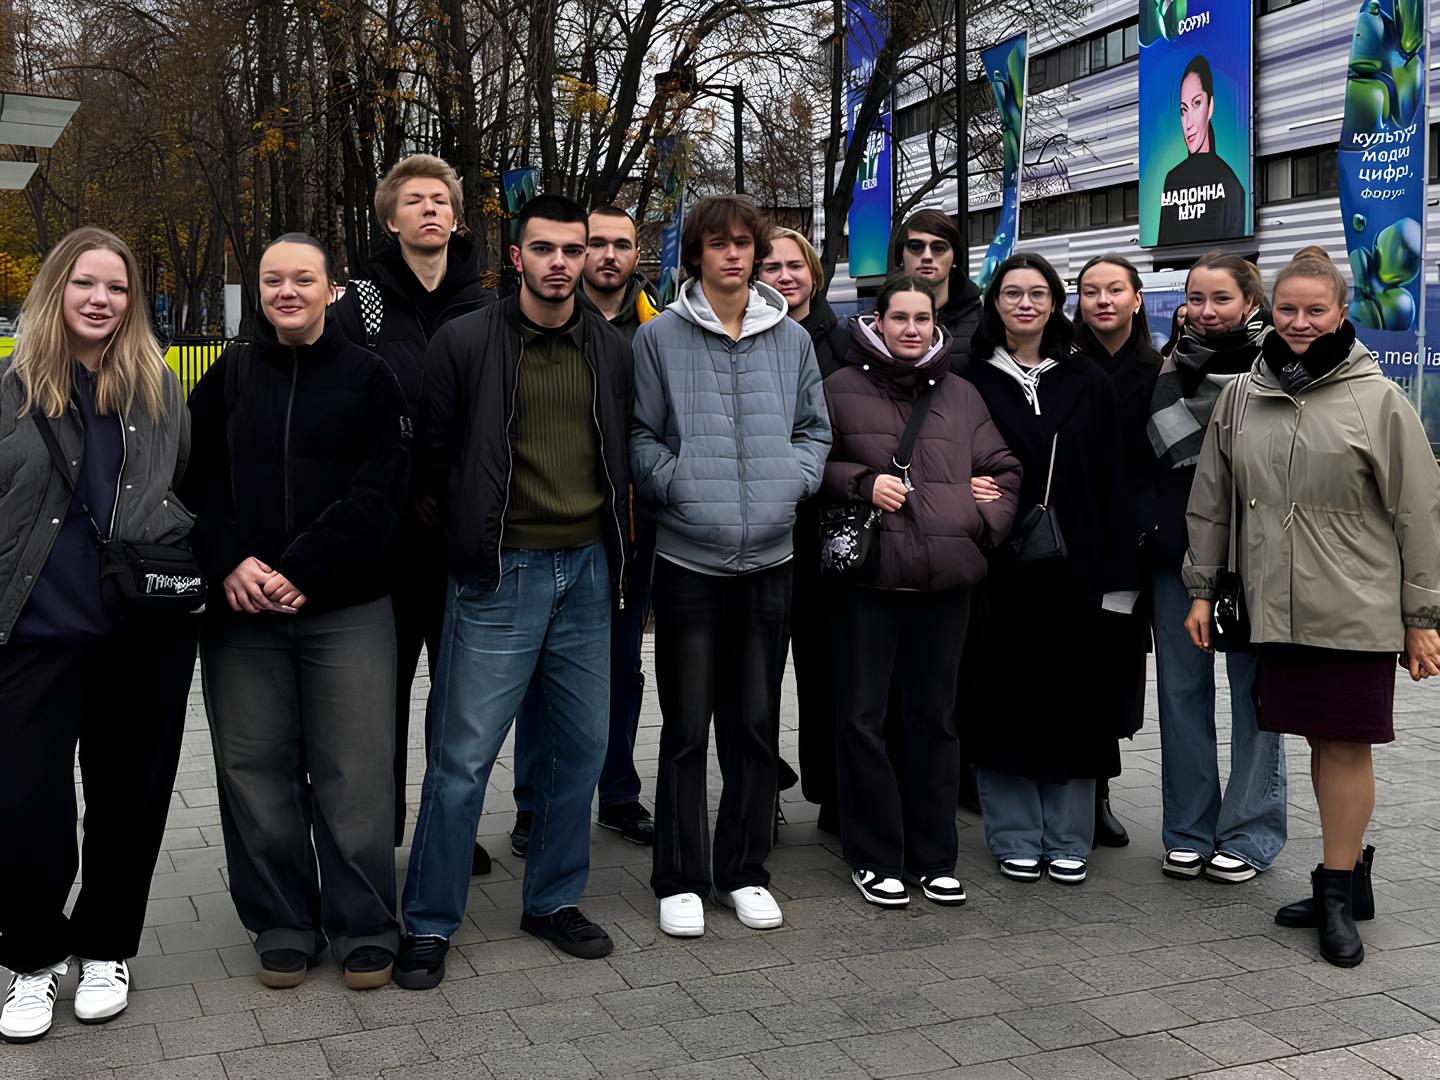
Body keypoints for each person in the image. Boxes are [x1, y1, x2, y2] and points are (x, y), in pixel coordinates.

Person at [395, 195, 632, 989]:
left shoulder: (609, 347)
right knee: (462, 760)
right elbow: (430, 463)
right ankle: (430, 920)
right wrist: (463, 549)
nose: (561, 263)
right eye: (545, 249)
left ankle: (553, 901)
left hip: (587, 571)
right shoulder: (467, 342)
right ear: (516, 256)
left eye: (574, 249)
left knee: (579, 752)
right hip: (500, 573)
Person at [1183, 246, 1440, 967]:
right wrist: (1201, 588)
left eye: (1315, 310)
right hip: (1277, 605)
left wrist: (1422, 619)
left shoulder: (1378, 399)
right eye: (1288, 309)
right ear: (1271, 311)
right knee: (1317, 742)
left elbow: (1419, 512)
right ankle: (1347, 877)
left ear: (1341, 312)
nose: (1300, 322)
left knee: (1346, 743)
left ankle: (1335, 895)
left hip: (1356, 605)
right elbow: (1212, 501)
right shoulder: (1242, 396)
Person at [184, 234, 410, 991]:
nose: (287, 292)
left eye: (303, 279)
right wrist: (229, 560)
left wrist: (305, 566)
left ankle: (364, 923)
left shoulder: (369, 377)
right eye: (273, 280)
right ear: (259, 290)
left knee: (355, 771)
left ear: (329, 289)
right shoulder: (230, 375)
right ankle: (282, 921)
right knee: (255, 770)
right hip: (243, 610)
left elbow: (382, 488)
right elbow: (193, 481)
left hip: (345, 606)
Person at [0, 228, 199, 1042]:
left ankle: (107, 946)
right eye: (86, 283)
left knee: (128, 803)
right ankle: (32, 957)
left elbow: (184, 483)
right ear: (57, 287)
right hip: (32, 635)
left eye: (117, 288)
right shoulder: (11, 388)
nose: (101, 300)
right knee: (23, 806)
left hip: (139, 636)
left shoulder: (157, 389)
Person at [631, 195, 831, 938]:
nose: (734, 255)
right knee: (686, 728)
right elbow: (641, 435)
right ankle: (681, 876)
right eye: (719, 243)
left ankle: (744, 870)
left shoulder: (792, 339)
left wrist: (792, 483)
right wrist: (677, 485)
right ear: (697, 254)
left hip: (770, 558)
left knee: (754, 724)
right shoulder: (659, 337)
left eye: (744, 243)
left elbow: (814, 429)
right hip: (690, 558)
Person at [823, 274, 1021, 907]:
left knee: (934, 719)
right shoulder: (839, 388)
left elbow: (1003, 470)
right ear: (876, 322)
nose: (912, 329)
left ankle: (935, 856)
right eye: (899, 317)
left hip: (945, 579)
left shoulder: (961, 393)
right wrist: (860, 482)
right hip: (871, 579)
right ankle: (874, 855)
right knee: (863, 719)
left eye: (922, 318)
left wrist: (977, 520)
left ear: (936, 325)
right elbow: (810, 462)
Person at [329, 154, 494, 872]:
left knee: (460, 703)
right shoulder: (357, 307)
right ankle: (378, 837)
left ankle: (447, 833)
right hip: (387, 540)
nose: (430, 209)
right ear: (390, 219)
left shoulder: (488, 307)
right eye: (415, 200)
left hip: (462, 534)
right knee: (378, 702)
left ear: (456, 219)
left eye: (441, 200)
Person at [963, 252, 1137, 887]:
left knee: (1076, 701)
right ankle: (1013, 834)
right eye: (1012, 293)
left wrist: (1119, 583)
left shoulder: (1088, 380)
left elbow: (1116, 483)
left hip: (1078, 568)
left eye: (1038, 293)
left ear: (1056, 304)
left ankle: (1068, 836)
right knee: (1002, 700)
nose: (1025, 304)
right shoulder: (969, 380)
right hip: (999, 568)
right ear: (995, 303)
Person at [510, 204, 659, 858]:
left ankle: (618, 794)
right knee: (540, 677)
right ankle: (533, 805)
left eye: (621, 244)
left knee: (622, 669)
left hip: (626, 533)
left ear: (635, 255)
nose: (606, 255)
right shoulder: (531, 321)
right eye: (594, 243)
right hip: (545, 532)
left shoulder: (655, 328)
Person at [1143, 251, 1285, 883]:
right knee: (1181, 695)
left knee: (1256, 697)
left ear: (1250, 302)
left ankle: (1251, 833)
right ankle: (1187, 830)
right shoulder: (1168, 362)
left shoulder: (1280, 367)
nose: (1205, 311)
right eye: (1195, 298)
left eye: (1220, 298)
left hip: (1259, 555)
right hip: (1180, 553)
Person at [758, 227, 850, 831]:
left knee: (828, 669)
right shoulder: (744, 336)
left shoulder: (845, 343)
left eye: (795, 265)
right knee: (757, 673)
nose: (785, 276)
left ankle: (832, 790)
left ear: (814, 275)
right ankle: (759, 788)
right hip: (762, 528)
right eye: (772, 266)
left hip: (827, 528)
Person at [1073, 254, 1162, 849]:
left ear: (1136, 299)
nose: (1102, 300)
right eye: (1090, 291)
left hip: (1130, 545)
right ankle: (1076, 791)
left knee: (1113, 671)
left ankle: (1100, 790)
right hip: (1069, 540)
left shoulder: (1160, 370)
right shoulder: (1062, 365)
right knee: (1072, 667)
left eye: (1114, 290)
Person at [1156, 55, 1247, 246]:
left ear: (1210, 107)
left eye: (1196, 103)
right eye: (1183, 110)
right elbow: (1162, 252)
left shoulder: (1232, 186)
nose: (1188, 123)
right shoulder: (1172, 180)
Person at [895, 209, 983, 372]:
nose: (927, 256)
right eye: (916, 247)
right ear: (901, 256)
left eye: (938, 248)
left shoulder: (983, 323)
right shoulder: (873, 324)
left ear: (955, 259)